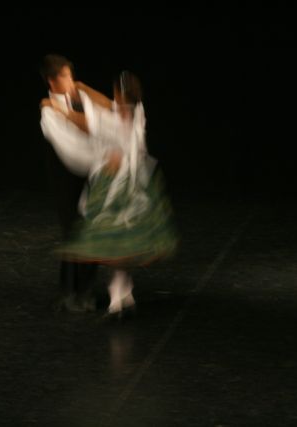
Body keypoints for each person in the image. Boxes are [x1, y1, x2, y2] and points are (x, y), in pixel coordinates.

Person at [53, 71, 178, 320]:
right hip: (137, 181)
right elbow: (105, 105)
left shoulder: (118, 118)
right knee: (123, 246)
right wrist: (83, 87)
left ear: (119, 95)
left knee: (116, 243)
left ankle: (118, 300)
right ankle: (123, 296)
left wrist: (57, 109)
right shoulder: (137, 110)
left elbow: (89, 123)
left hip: (120, 185)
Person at [39, 54, 97, 313]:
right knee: (72, 232)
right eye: (64, 76)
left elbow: (100, 125)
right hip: (66, 175)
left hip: (90, 172)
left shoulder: (82, 100)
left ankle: (85, 291)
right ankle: (69, 292)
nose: (71, 81)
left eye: (70, 75)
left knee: (92, 230)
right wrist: (95, 158)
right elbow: (71, 149)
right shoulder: (48, 111)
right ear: (51, 81)